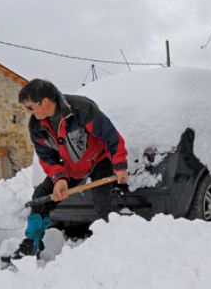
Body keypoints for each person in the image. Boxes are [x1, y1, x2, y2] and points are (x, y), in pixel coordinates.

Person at [11, 78, 128, 259]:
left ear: (45, 101)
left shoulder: (81, 109)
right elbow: (47, 157)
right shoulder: (36, 126)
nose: (28, 113)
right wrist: (60, 179)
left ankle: (117, 243)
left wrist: (120, 165)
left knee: (102, 200)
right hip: (71, 167)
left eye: (30, 107)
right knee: (40, 198)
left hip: (99, 160)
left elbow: (111, 137)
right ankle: (31, 244)